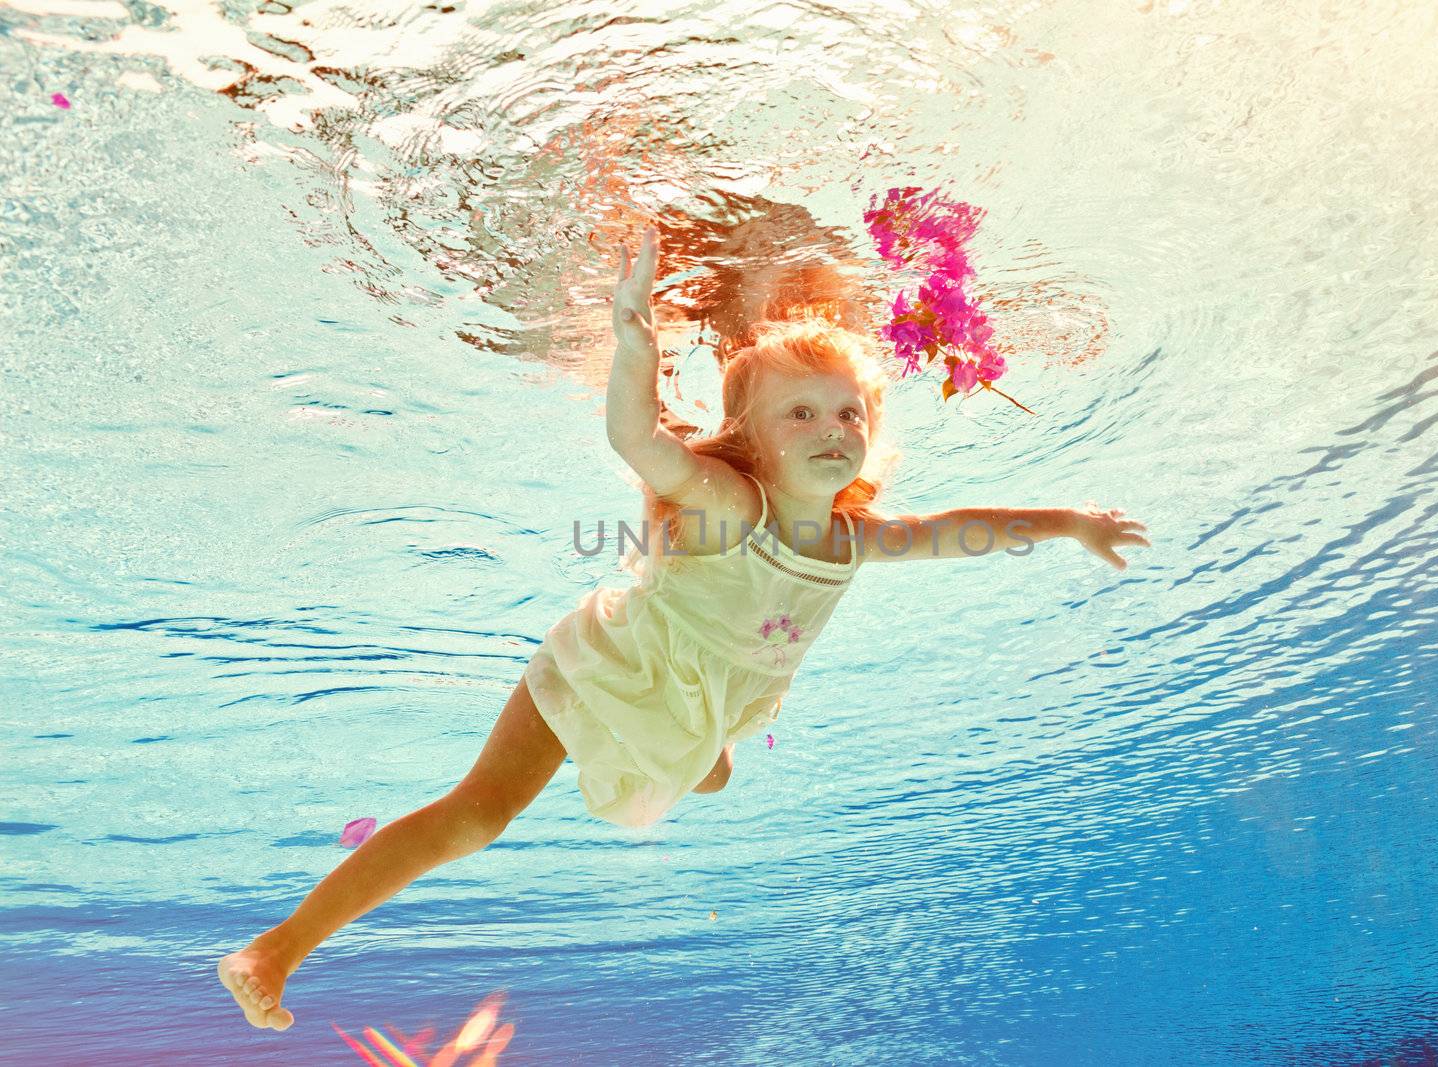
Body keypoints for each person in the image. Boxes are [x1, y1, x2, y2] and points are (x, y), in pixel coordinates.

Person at [217, 225, 1150, 1031]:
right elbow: (641, 444)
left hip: (712, 700)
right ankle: (275, 948)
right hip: (610, 667)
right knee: (477, 818)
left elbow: (961, 535)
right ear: (749, 436)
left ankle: (682, 746)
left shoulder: (855, 538)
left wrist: (1070, 522)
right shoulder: (727, 505)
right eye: (800, 413)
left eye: (848, 412)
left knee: (708, 770)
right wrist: (634, 348)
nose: (833, 427)